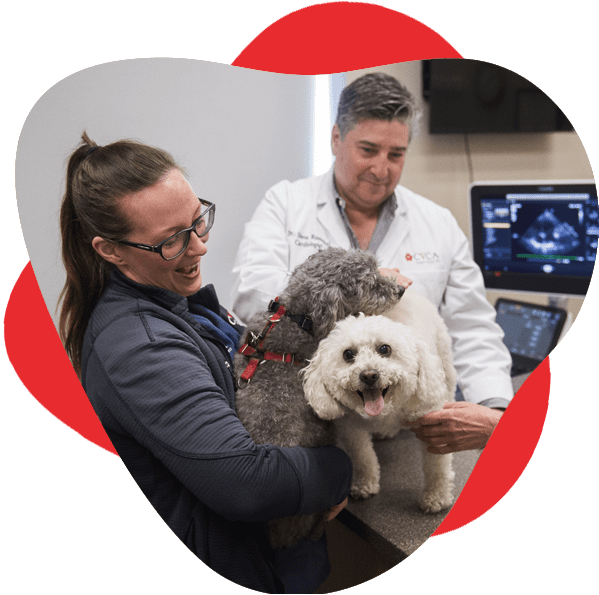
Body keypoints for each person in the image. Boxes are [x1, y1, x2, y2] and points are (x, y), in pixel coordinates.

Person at [58, 133, 352, 594]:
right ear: (110, 250)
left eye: (198, 221)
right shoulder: (138, 347)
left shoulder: (182, 302)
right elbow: (247, 482)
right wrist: (342, 468)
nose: (199, 247)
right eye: (171, 241)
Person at [231, 72, 514, 453]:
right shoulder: (285, 205)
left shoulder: (438, 223)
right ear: (336, 139)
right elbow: (254, 300)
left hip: (410, 431)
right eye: (368, 150)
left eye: (395, 155)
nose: (382, 169)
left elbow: (472, 328)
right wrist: (359, 291)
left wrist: (493, 412)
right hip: (316, 428)